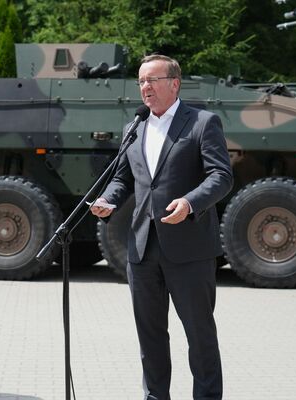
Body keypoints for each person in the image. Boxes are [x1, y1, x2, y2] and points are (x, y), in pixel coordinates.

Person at [91, 54, 233, 399]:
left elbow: (221, 176)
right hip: (142, 250)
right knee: (150, 337)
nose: (145, 87)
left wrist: (190, 202)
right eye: (141, 81)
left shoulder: (202, 123)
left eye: (152, 80)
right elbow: (123, 179)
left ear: (174, 84)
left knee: (200, 337)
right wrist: (108, 200)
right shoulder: (135, 127)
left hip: (189, 249)